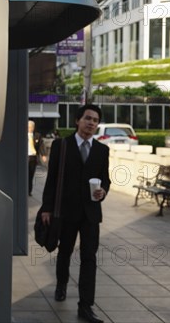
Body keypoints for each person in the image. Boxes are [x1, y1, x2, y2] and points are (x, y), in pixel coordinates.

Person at [40, 104, 110, 323]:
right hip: (66, 211)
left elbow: (105, 178)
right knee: (65, 251)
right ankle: (61, 283)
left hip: (90, 213)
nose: (91, 123)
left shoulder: (101, 150)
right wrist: (47, 208)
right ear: (78, 120)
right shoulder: (62, 145)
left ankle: (86, 306)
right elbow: (51, 179)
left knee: (89, 257)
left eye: (95, 120)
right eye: (87, 118)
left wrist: (103, 190)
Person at [27, 120, 41, 196]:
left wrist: (43, 154)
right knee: (25, 174)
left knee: (31, 174)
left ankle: (29, 191)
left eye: (32, 127)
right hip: (24, 157)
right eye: (29, 127)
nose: (30, 128)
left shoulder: (37, 135)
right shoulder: (22, 135)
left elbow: (41, 145)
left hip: (33, 157)